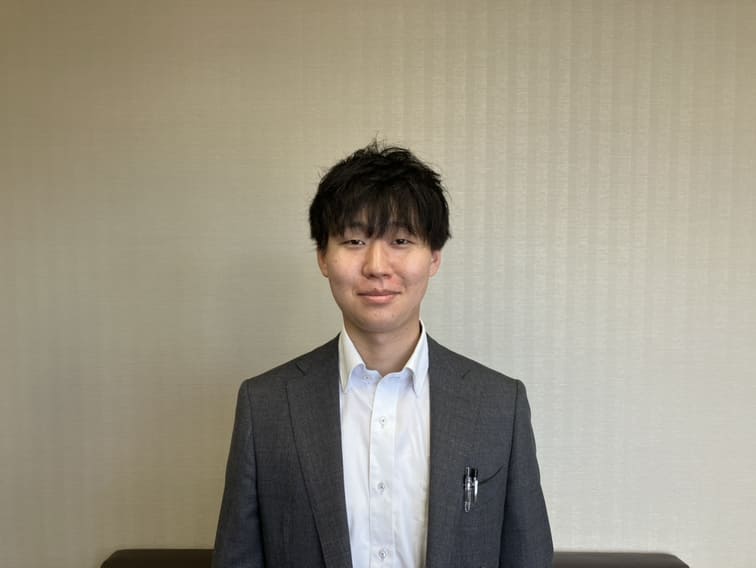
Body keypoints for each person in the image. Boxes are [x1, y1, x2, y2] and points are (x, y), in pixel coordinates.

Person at [213, 142, 553, 568]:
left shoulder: (500, 404)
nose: (376, 265)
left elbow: (527, 556)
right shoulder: (265, 405)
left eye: (401, 240)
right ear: (323, 257)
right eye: (354, 240)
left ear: (434, 257)